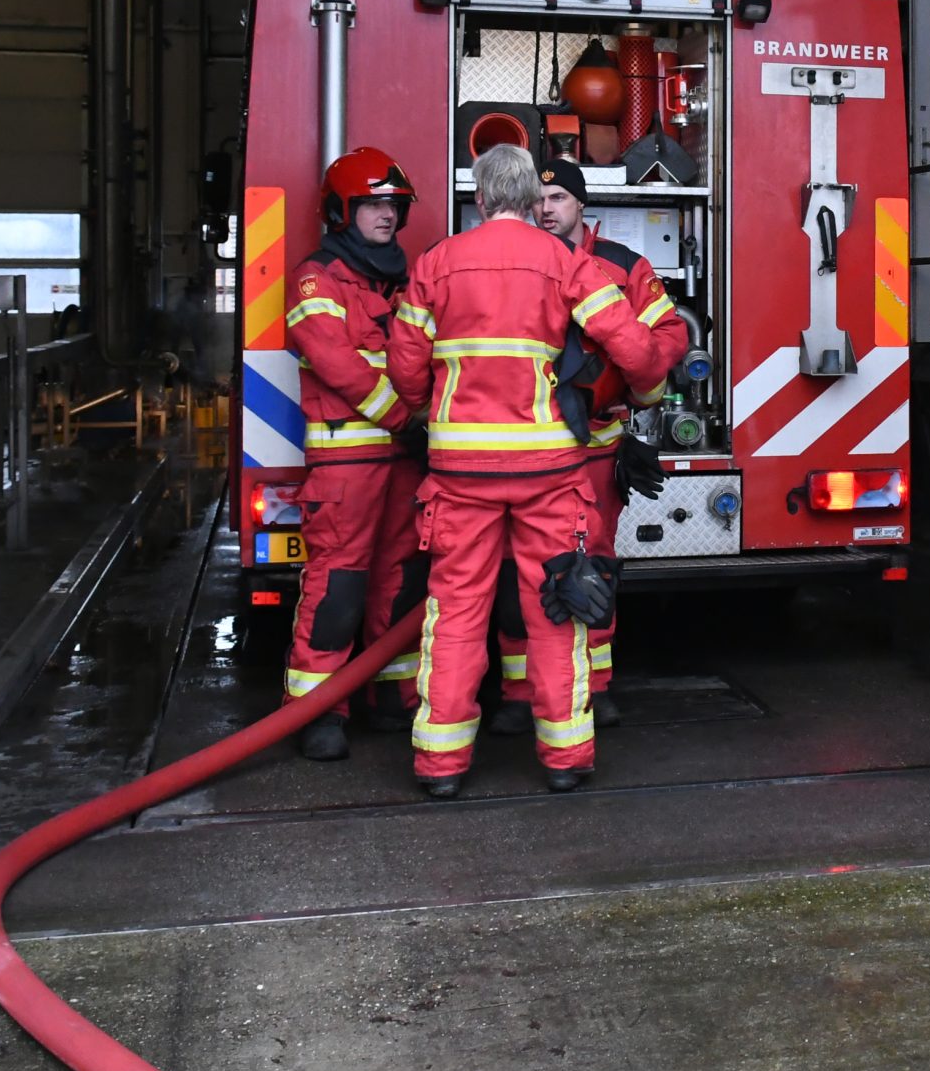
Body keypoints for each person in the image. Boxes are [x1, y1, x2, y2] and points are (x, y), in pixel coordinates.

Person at [384, 142, 679, 798]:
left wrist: (426, 412)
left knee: (457, 607)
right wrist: (646, 395)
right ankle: (566, 757)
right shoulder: (567, 261)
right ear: (527, 199)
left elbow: (404, 366)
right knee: (556, 606)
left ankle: (441, 764)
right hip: (550, 470)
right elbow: (635, 347)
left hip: (460, 471)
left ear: (482, 199)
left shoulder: (436, 263)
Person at [485, 158, 688, 738]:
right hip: (523, 450)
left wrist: (622, 385)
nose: (546, 209)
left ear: (581, 206)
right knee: (513, 575)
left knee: (591, 568)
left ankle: (593, 689)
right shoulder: (516, 260)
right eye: (538, 199)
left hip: (593, 449)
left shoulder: (621, 266)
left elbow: (669, 335)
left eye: (558, 199)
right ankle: (521, 693)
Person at [281, 148, 428, 759]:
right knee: (339, 584)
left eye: (392, 205)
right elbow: (338, 363)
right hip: (347, 466)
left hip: (403, 463)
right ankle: (317, 713)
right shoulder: (317, 279)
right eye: (372, 204)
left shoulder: (404, 276)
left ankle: (393, 697)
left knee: (401, 580)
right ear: (343, 211)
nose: (386, 216)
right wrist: (404, 418)